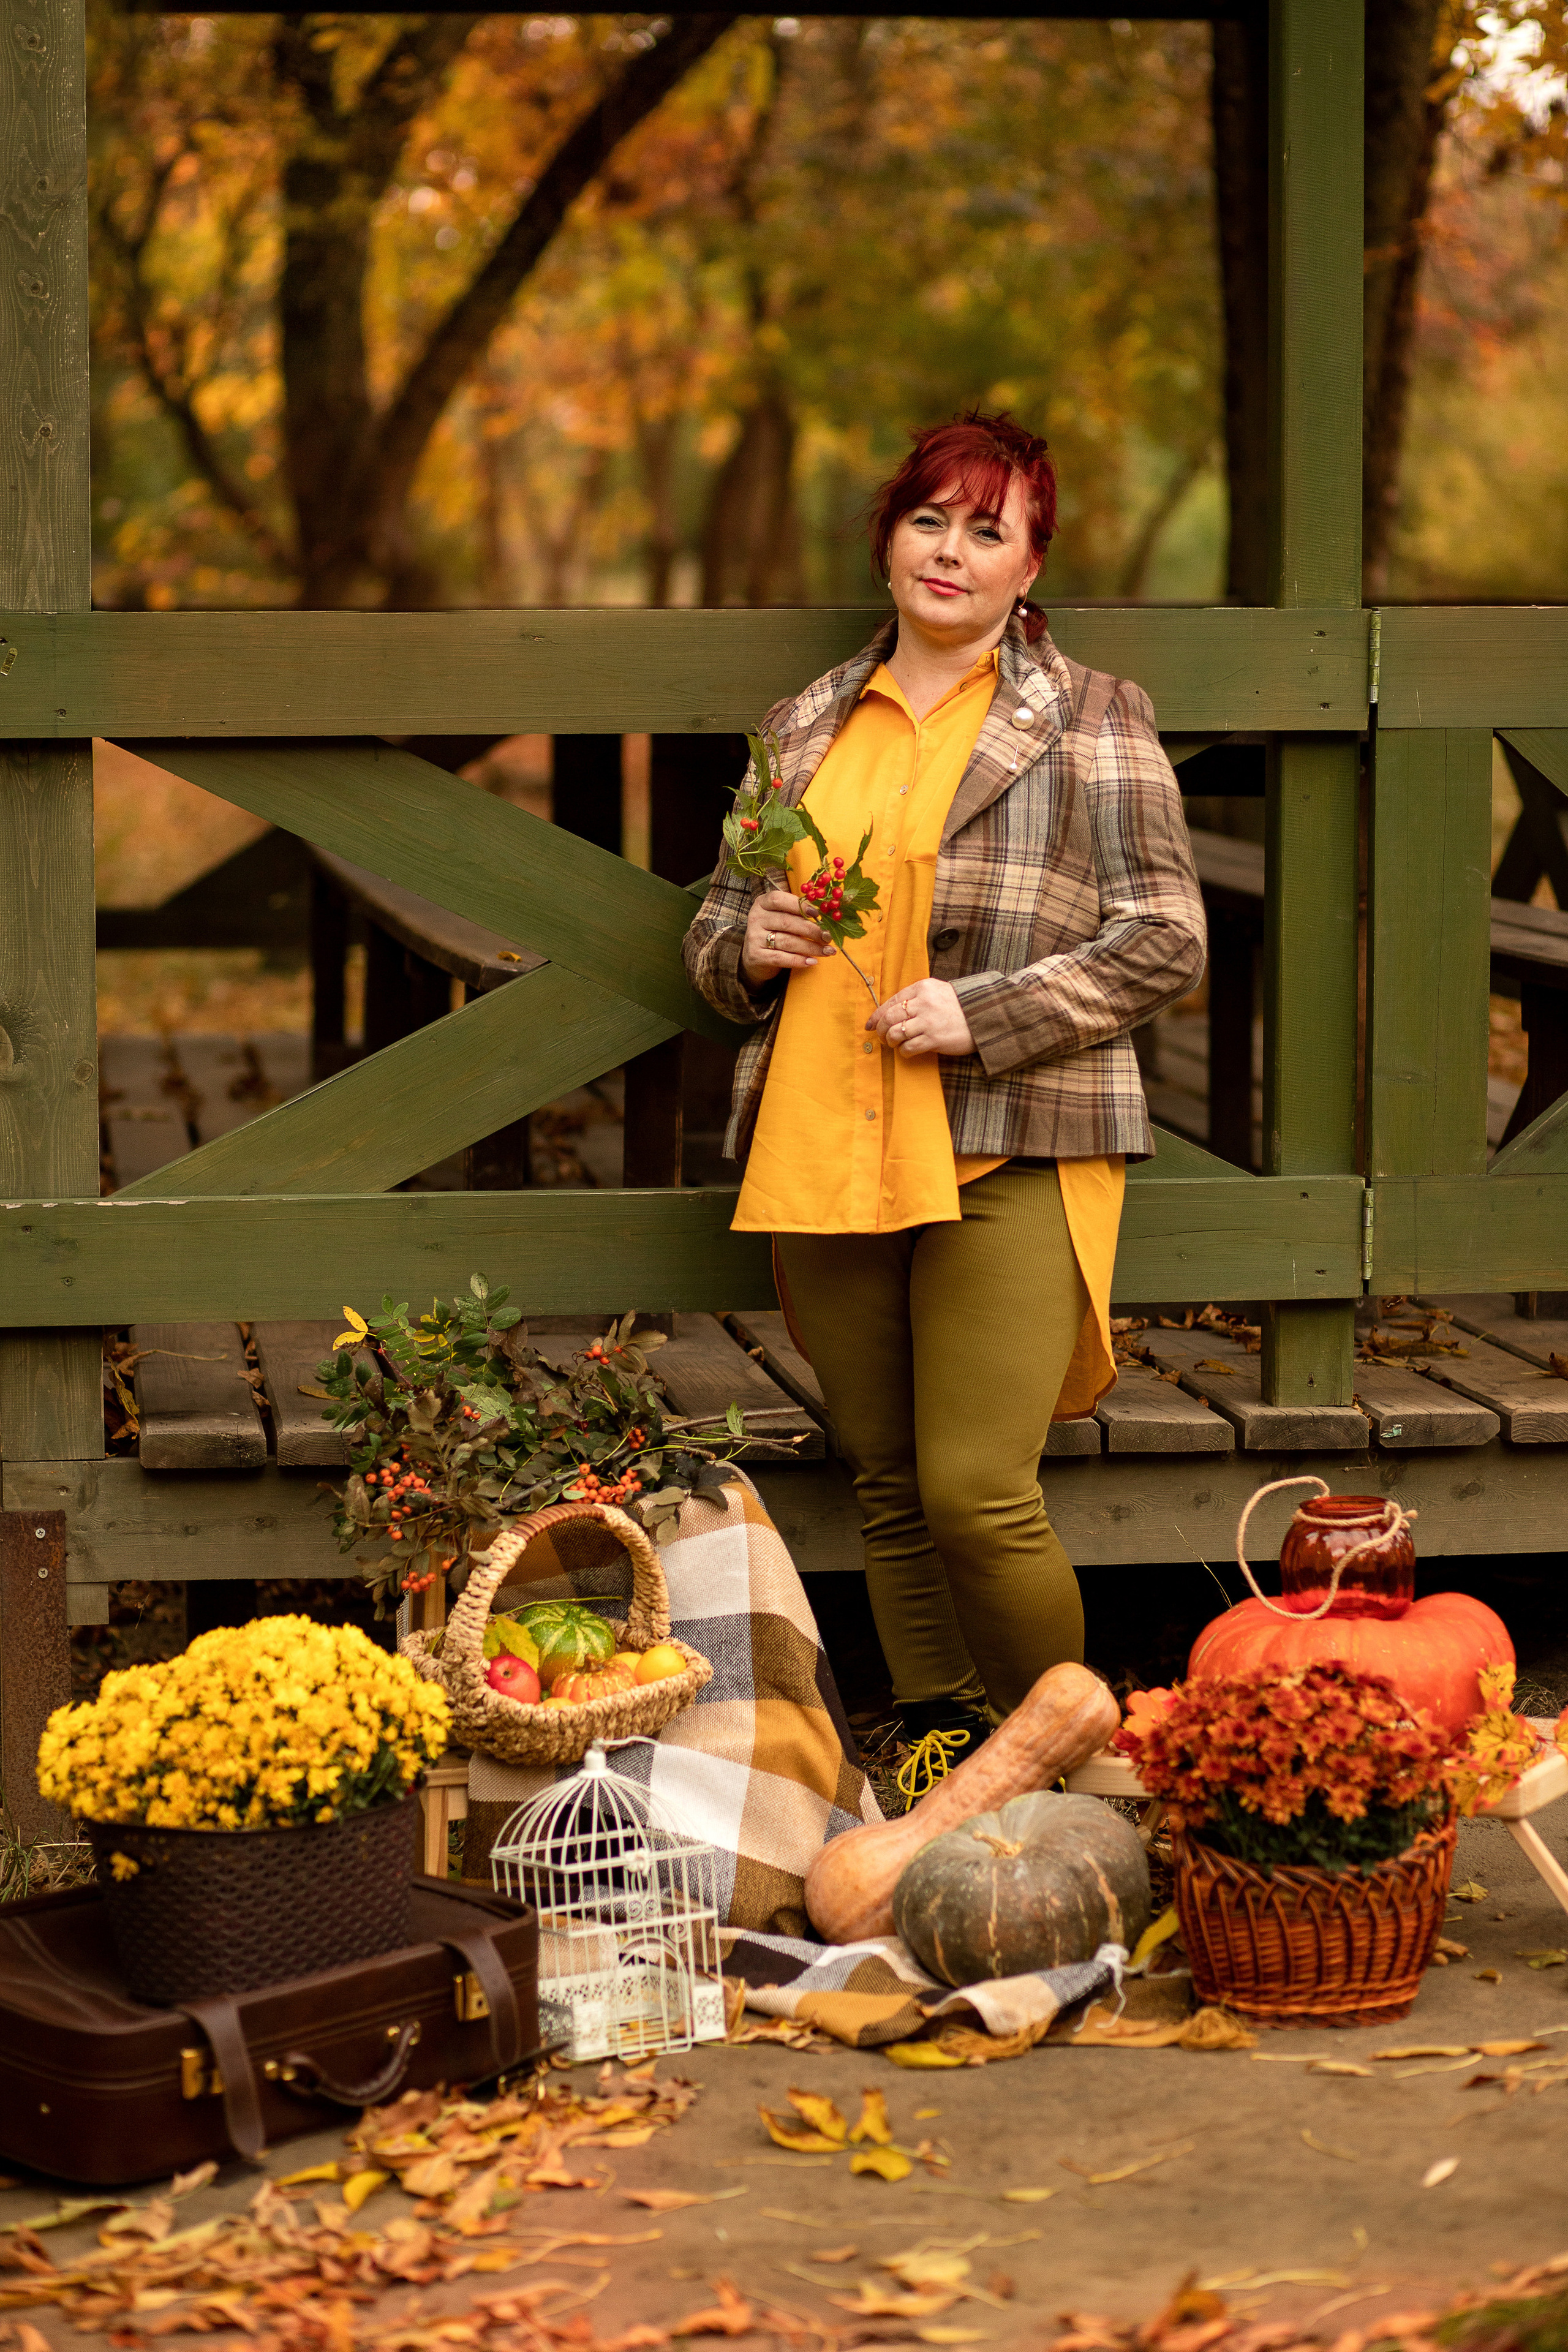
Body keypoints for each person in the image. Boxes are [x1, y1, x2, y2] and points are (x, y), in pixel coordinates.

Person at [683, 410, 1205, 1751]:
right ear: (888, 536)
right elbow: (715, 923)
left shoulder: (1092, 716)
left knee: (978, 1488)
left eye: (988, 530)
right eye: (929, 519)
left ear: (1029, 567)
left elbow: (1165, 937)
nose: (950, 552)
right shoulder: (800, 724)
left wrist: (984, 1014)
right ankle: (940, 1749)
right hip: (823, 1136)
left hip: (1005, 1137)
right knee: (891, 1483)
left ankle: (1068, 1774)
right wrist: (745, 941)